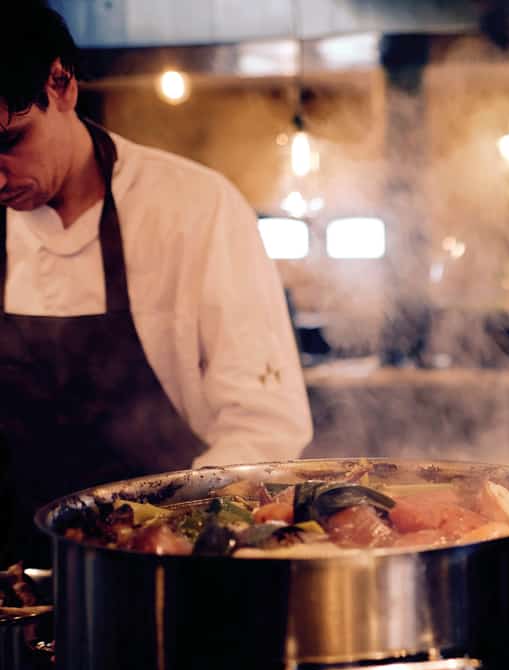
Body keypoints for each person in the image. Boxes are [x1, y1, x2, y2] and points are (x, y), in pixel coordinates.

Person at [0, 3, 313, 564]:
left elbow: (264, 425)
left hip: (158, 573)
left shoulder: (193, 208)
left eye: (10, 140)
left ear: (61, 82)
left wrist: (171, 542)